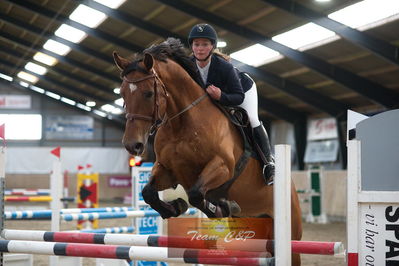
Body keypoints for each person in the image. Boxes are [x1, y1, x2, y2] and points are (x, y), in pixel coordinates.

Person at [188, 23, 275, 184]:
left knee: (252, 119)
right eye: (197, 44)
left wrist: (221, 96)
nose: (200, 48)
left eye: (205, 44)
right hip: (213, 100)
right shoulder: (187, 66)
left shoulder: (225, 67)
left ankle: (268, 164)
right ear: (192, 46)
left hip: (243, 91)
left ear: (212, 46)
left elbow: (238, 97)